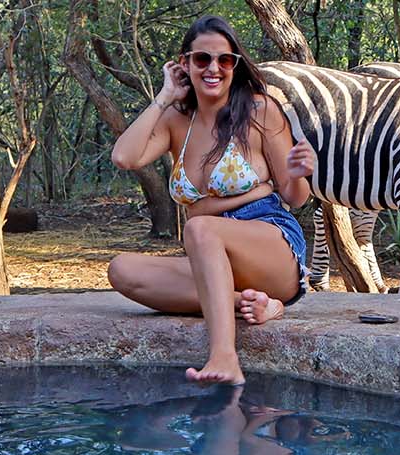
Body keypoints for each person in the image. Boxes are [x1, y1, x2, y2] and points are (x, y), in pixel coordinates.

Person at [108, 15, 315, 386]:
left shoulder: (258, 110)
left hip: (270, 242)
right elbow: (124, 157)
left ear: (235, 64)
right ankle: (249, 304)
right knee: (122, 270)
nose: (214, 68)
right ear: (185, 63)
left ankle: (224, 355)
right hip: (211, 256)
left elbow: (294, 197)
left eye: (225, 60)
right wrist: (164, 97)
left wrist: (300, 173)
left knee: (200, 227)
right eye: (202, 59)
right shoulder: (175, 120)